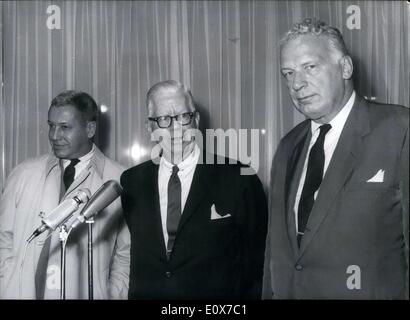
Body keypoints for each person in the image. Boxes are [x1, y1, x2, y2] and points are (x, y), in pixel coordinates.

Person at [262, 18, 409, 299]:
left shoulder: (400, 130)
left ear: (345, 67)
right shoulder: (287, 146)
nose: (297, 84)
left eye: (310, 67)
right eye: (288, 73)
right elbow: (275, 254)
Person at [121, 80, 268, 299]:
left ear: (196, 121)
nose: (176, 128)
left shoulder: (239, 178)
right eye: (163, 119)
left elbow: (257, 263)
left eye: (183, 116)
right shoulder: (132, 182)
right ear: (149, 128)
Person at [0, 90, 130, 299]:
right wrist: (7, 284)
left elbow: (126, 254)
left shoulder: (120, 180)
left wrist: (110, 294)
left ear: (90, 129)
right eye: (51, 126)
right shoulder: (23, 173)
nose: (54, 135)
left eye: (64, 127)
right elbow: (3, 239)